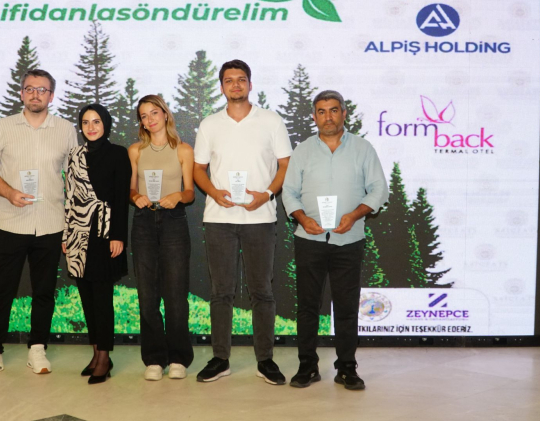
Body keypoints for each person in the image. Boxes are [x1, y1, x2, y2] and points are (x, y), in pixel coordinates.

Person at [193, 59, 292, 385]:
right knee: (221, 292)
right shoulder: (210, 124)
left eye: (241, 79)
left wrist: (267, 194)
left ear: (250, 84)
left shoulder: (271, 121)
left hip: (260, 218)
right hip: (218, 219)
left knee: (262, 292)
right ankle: (220, 359)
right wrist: (213, 192)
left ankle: (265, 360)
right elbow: (198, 170)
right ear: (221, 86)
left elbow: (285, 164)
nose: (235, 84)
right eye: (229, 80)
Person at [0, 69, 78, 378]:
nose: (35, 94)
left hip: (51, 224)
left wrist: (71, 226)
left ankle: (37, 348)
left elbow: (74, 179)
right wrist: (9, 192)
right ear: (21, 93)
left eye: (42, 90)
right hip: (11, 222)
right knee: (1, 290)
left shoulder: (65, 129)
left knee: (44, 291)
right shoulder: (2, 127)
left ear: (51, 96)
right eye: (30, 88)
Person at [282, 90, 388, 390]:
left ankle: (347, 368)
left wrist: (354, 215)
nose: (327, 117)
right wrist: (302, 218)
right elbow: (289, 192)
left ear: (344, 113)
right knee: (307, 307)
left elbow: (379, 189)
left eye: (333, 110)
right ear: (314, 116)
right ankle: (307, 366)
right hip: (309, 238)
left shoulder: (363, 148)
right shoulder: (303, 150)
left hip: (349, 239)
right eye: (321, 111)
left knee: (346, 307)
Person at [128, 95, 195, 381]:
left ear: (165, 114)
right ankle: (154, 358)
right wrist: (136, 197)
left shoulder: (183, 150)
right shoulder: (135, 151)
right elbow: (130, 190)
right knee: (147, 295)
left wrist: (178, 195)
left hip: (173, 222)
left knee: (176, 295)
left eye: (154, 112)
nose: (150, 119)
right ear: (141, 122)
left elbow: (190, 192)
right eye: (144, 116)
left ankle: (179, 357)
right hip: (143, 222)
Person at [63, 104, 131, 384]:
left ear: (106, 124)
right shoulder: (75, 155)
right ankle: (95, 353)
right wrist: (66, 235)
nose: (91, 127)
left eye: (96, 121)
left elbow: (121, 198)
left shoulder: (118, 153)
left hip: (105, 233)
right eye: (85, 122)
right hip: (78, 234)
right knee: (87, 298)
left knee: (102, 298)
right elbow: (69, 197)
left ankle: (104, 357)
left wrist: (118, 236)